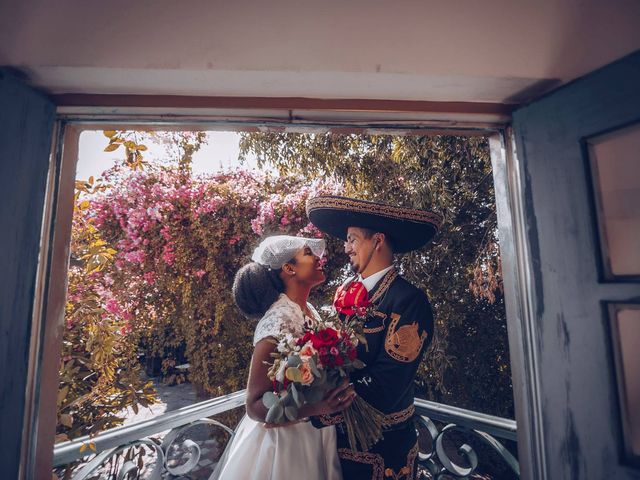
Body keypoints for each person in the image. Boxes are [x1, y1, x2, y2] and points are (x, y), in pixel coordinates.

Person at [306, 195, 442, 480]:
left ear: (377, 241)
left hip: (385, 449)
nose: (346, 248)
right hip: (335, 445)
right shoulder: (345, 291)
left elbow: (389, 382)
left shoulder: (409, 300)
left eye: (353, 239)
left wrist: (319, 406)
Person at [210, 235, 355, 480]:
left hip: (315, 434)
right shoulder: (278, 319)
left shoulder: (309, 311)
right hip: (285, 445)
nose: (318, 258)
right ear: (289, 268)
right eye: (308, 253)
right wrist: (319, 407)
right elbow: (254, 405)